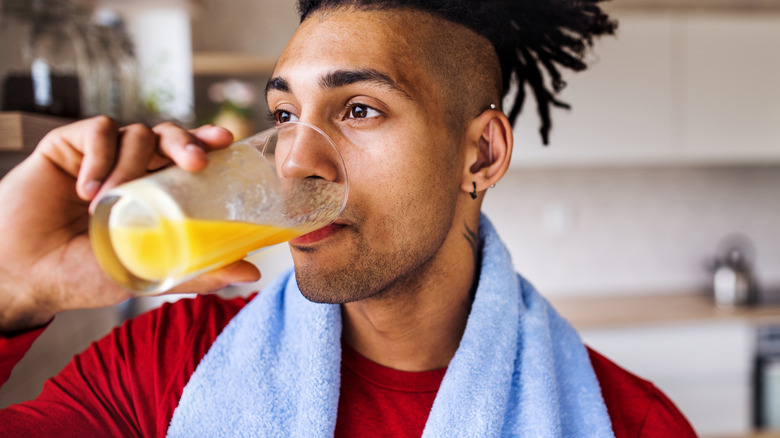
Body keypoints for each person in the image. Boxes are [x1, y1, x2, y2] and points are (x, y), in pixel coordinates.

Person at [0, 0, 698, 436]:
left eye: (359, 109)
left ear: (481, 153)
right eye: (283, 115)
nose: (297, 160)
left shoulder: (627, 422)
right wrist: (11, 286)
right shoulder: (162, 367)